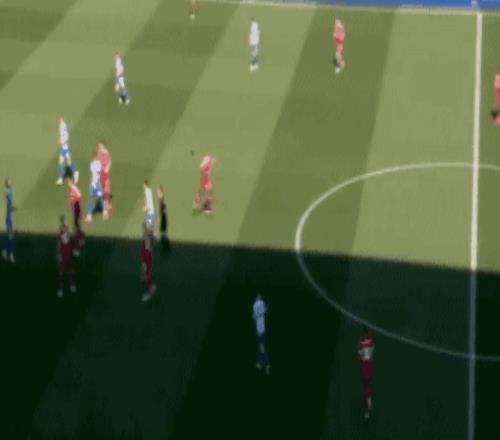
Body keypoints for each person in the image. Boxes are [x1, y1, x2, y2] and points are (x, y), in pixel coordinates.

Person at [57, 215, 76, 298]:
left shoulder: (66, 234)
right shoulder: (61, 234)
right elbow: (59, 244)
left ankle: (72, 285)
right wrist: (58, 254)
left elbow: (70, 241)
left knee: (70, 271)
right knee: (61, 274)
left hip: (68, 255)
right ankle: (61, 289)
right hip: (63, 255)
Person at [85, 153, 107, 224]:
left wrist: (96, 183)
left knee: (99, 198)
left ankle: (104, 212)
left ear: (96, 157)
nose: (93, 158)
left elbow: (97, 174)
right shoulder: (92, 164)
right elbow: (93, 175)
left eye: (94, 157)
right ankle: (89, 216)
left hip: (97, 185)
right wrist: (91, 183)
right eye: (93, 157)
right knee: (91, 199)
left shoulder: (98, 164)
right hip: (93, 184)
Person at [358, 325, 375, 419]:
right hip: (370, 364)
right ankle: (369, 398)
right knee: (368, 383)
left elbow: (360, 354)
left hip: (364, 364)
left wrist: (361, 359)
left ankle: (367, 409)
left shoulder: (361, 340)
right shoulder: (371, 340)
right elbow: (372, 352)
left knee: (366, 385)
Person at [56, 117, 79, 185]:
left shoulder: (64, 129)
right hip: (62, 149)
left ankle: (75, 172)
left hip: (66, 149)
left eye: (61, 120)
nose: (59, 120)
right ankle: (60, 178)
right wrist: (60, 141)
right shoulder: (61, 126)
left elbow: (66, 138)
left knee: (69, 163)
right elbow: (62, 137)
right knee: (61, 162)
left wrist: (61, 142)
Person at [253, 294, 270, 374]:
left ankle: (265, 364)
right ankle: (260, 363)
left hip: (261, 329)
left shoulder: (260, 304)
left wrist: (256, 315)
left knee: (262, 347)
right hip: (259, 329)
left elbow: (257, 315)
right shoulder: (257, 304)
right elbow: (255, 316)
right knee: (261, 347)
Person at [141, 222, 156, 301]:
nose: (143, 231)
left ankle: (147, 294)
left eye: (145, 230)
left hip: (147, 260)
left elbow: (146, 253)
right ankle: (151, 286)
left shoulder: (147, 239)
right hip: (148, 259)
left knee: (145, 277)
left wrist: (144, 263)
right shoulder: (148, 237)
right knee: (147, 275)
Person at [68, 178, 83, 256]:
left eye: (70, 182)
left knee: (76, 227)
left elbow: (79, 196)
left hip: (77, 210)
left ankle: (77, 247)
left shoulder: (74, 189)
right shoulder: (72, 189)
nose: (68, 183)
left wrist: (72, 203)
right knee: (76, 226)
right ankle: (80, 240)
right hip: (76, 210)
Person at [2, 178, 15, 263]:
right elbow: (9, 204)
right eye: (9, 182)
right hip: (9, 218)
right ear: (7, 184)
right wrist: (12, 208)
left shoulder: (8, 192)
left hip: (9, 217)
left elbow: (9, 204)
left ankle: (4, 252)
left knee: (9, 237)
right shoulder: (8, 193)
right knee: (10, 237)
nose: (11, 183)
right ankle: (11, 255)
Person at [97, 142, 112, 215]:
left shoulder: (106, 153)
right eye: (98, 146)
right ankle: (105, 207)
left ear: (103, 146)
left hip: (104, 173)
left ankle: (107, 207)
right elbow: (98, 162)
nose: (99, 147)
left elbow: (109, 162)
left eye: (100, 146)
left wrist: (107, 169)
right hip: (100, 173)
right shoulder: (99, 153)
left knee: (106, 191)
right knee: (101, 191)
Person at [157, 185, 170, 251]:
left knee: (163, 233)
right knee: (162, 232)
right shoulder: (161, 198)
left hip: (163, 217)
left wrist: (162, 212)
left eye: (158, 192)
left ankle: (166, 246)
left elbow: (164, 207)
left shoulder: (162, 198)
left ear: (161, 192)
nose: (157, 193)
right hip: (163, 217)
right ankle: (165, 246)